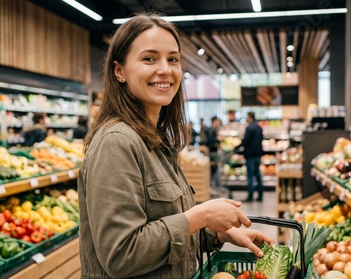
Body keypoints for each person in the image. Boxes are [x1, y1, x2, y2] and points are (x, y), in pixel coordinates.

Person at [79, 13, 272, 279]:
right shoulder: (116, 143)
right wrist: (199, 216)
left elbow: (162, 237)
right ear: (119, 71)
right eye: (149, 58)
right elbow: (120, 255)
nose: (165, 69)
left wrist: (215, 233)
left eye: (172, 59)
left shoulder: (156, 142)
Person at [234, 112, 264, 202]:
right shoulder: (259, 127)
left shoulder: (249, 128)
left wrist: (237, 147)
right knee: (258, 176)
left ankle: (250, 196)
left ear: (250, 117)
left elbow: (245, 141)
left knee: (250, 176)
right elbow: (261, 139)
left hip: (250, 155)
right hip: (258, 154)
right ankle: (260, 195)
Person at [206, 116, 222, 186]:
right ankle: (213, 186)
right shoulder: (211, 130)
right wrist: (217, 139)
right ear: (214, 122)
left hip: (214, 152)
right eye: (217, 121)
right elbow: (208, 141)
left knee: (215, 170)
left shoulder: (214, 130)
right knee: (213, 170)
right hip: (212, 153)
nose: (218, 123)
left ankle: (214, 186)